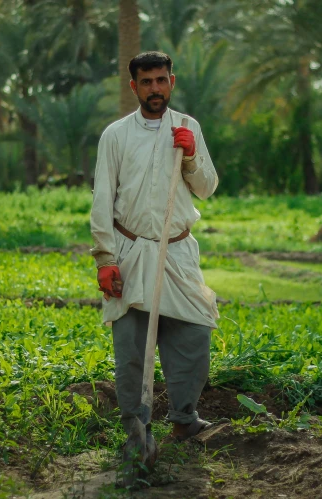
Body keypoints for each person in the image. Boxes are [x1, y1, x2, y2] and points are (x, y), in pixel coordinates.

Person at [89, 51, 219, 481]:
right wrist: (105, 258)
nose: (155, 90)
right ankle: (135, 431)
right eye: (146, 83)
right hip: (129, 251)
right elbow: (103, 198)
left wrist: (192, 155)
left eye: (161, 81)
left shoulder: (188, 127)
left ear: (172, 82)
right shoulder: (115, 135)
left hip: (178, 252)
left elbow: (207, 188)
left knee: (194, 335)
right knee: (131, 346)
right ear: (134, 87)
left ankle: (184, 418)